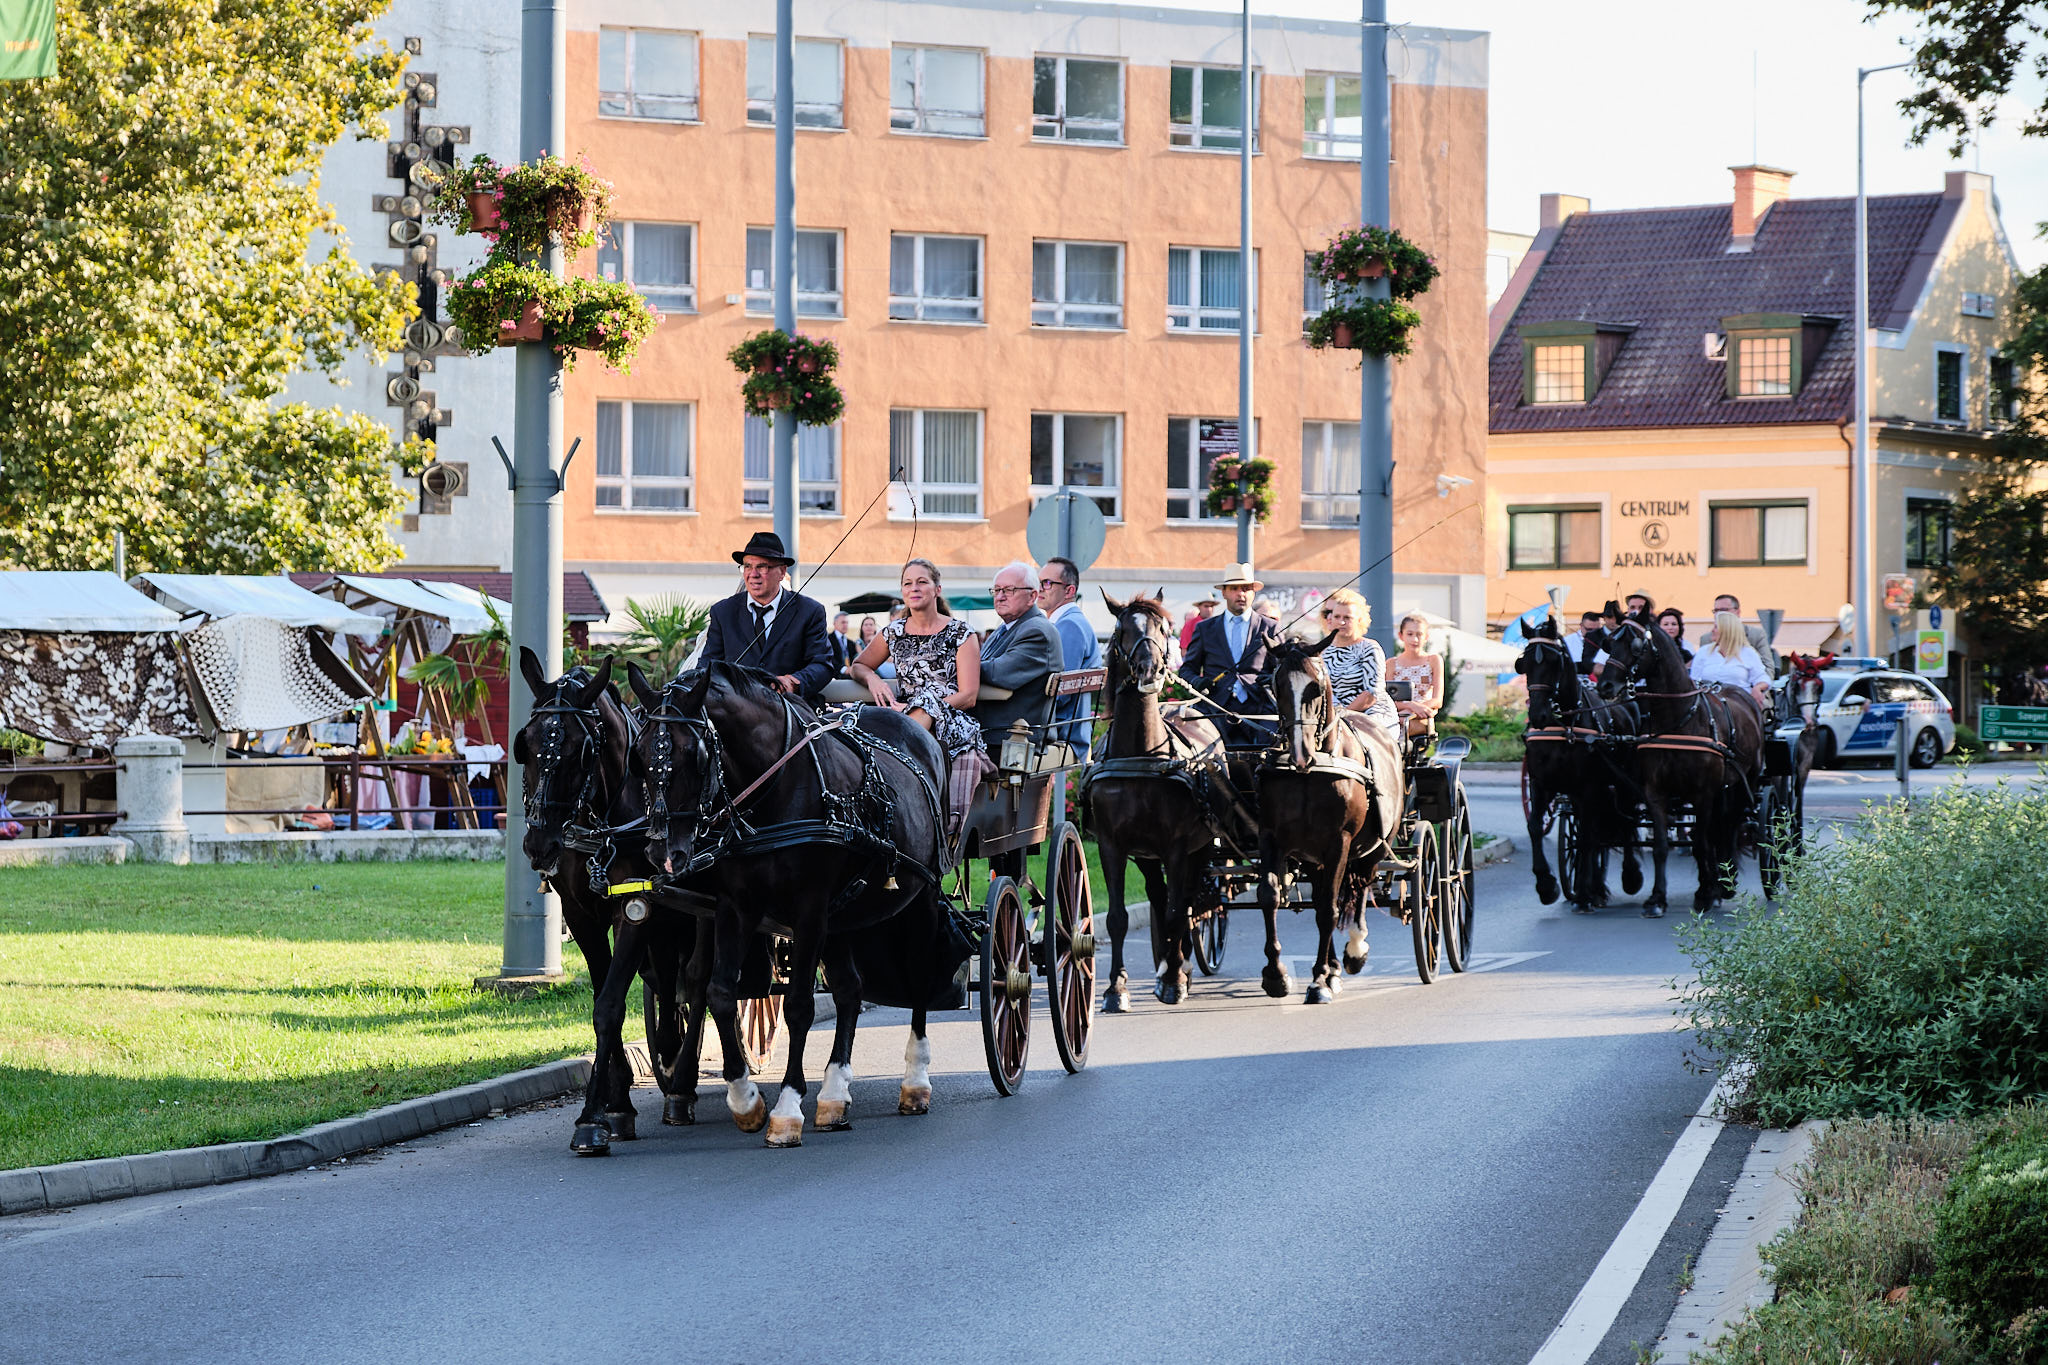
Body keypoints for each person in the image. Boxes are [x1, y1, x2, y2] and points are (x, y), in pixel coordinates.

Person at [849, 559, 985, 830]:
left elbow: (969, 695)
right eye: (907, 583)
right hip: (904, 715)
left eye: (922, 582)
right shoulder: (894, 632)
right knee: (854, 716)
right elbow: (858, 665)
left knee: (923, 706)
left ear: (937, 589)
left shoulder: (961, 633)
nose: (914, 588)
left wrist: (923, 709)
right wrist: (873, 679)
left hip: (951, 719)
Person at [696, 531, 837, 701]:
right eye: (747, 566)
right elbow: (706, 666)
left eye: (762, 567)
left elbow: (822, 665)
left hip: (790, 709)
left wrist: (793, 682)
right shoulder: (723, 612)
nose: (753, 574)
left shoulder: (810, 611)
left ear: (782, 572)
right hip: (735, 711)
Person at [1180, 564, 1285, 741]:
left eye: (1246, 589)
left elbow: (1283, 669)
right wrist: (1197, 681)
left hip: (1260, 709)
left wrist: (1271, 679)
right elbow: (1187, 670)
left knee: (1275, 747)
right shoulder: (1205, 629)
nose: (1241, 594)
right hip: (1215, 708)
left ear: (1253, 593)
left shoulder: (1270, 627)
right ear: (1224, 593)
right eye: (1234, 588)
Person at [971, 561, 1064, 750]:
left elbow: (999, 673)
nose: (1000, 597)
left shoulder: (1037, 631)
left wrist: (956, 665)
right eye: (996, 590)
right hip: (995, 732)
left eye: (1009, 590)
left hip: (1013, 738)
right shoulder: (1006, 628)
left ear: (1032, 596)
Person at [1037, 555, 1101, 759]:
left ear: (1069, 591)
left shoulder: (1069, 625)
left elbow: (1061, 692)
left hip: (1061, 730)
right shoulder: (1067, 621)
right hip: (1060, 726)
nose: (1039, 588)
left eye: (1047, 583)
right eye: (1038, 582)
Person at [1317, 589, 1401, 734]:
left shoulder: (1370, 648)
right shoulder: (1323, 652)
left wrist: (1341, 716)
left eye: (1347, 618)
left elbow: (1371, 695)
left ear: (1360, 620)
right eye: (1337, 616)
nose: (1341, 622)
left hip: (1371, 713)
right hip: (1333, 717)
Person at [1692, 610, 1771, 707]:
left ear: (1726, 630)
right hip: (1709, 704)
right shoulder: (1703, 652)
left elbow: (1762, 678)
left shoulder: (1748, 653)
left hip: (1739, 704)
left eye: (1716, 627)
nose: (1712, 630)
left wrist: (1757, 688)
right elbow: (1694, 680)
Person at [1387, 612, 1444, 737]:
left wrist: (1415, 710)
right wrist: (1411, 706)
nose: (1414, 639)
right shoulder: (1391, 664)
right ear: (1401, 635)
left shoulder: (1434, 660)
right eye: (1410, 634)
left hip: (1422, 718)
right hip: (1396, 716)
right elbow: (1386, 700)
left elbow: (1437, 700)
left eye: (1419, 634)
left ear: (1426, 637)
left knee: (1402, 727)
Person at [1701, 593, 1777, 674]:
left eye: (1724, 610)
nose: (1718, 614)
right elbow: (1699, 670)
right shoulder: (1706, 639)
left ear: (1738, 612)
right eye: (1716, 611)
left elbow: (1768, 667)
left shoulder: (1756, 635)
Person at [1563, 610, 1607, 677]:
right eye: (1589, 629)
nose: (1593, 633)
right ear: (1581, 626)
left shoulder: (1604, 640)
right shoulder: (1567, 641)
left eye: (1596, 630)